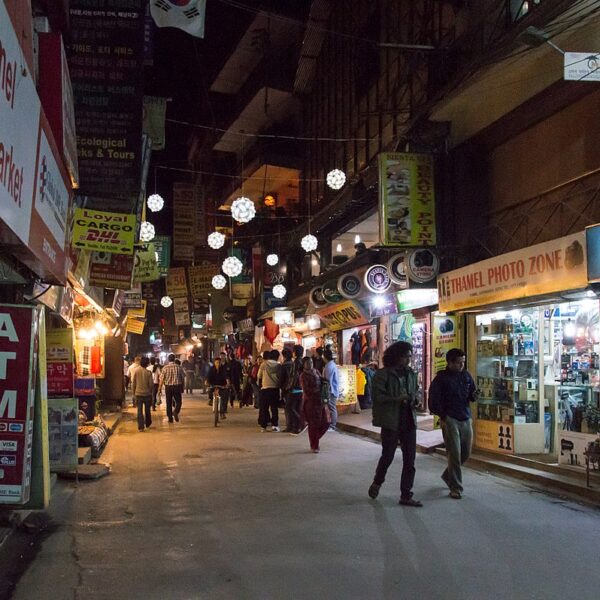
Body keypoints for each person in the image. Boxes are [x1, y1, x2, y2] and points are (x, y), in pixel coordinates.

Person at [368, 341, 423, 507]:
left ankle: (406, 494)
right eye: (405, 356)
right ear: (396, 356)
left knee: (410, 460)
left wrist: (416, 401)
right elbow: (377, 398)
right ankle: (377, 481)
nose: (408, 360)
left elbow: (415, 392)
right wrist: (396, 399)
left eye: (409, 356)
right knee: (388, 456)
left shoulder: (410, 374)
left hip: (408, 420)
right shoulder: (382, 375)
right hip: (391, 421)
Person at [428, 348, 478, 500]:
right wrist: (443, 416)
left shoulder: (466, 376)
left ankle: (448, 475)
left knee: (465, 452)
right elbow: (433, 401)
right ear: (449, 363)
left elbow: (472, 395)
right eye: (458, 363)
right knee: (454, 453)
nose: (461, 365)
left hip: (466, 417)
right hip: (450, 419)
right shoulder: (441, 379)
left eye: (463, 362)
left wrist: (475, 396)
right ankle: (456, 487)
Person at [300, 357, 330, 453]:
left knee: (326, 421)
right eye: (308, 362)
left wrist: (325, 383)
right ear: (304, 364)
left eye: (311, 362)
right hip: (311, 403)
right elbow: (307, 391)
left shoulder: (316, 371)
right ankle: (314, 445)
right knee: (313, 424)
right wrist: (318, 391)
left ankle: (315, 438)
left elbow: (322, 380)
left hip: (320, 401)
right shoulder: (303, 376)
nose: (310, 364)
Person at [257, 349, 281, 432]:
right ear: (277, 357)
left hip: (265, 389)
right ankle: (275, 425)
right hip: (275, 389)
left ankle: (263, 426)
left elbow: (259, 376)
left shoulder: (263, 364)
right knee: (274, 408)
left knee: (264, 408)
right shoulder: (278, 366)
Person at [158, 354, 185, 423]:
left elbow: (161, 379)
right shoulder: (179, 367)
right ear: (174, 359)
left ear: (168, 359)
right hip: (177, 386)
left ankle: (170, 418)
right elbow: (183, 378)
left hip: (168, 387)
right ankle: (176, 411)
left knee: (169, 402)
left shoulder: (165, 368)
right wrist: (183, 387)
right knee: (179, 402)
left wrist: (159, 389)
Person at [287, 345, 306, 434]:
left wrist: (289, 386)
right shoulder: (303, 361)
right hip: (302, 389)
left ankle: (301, 423)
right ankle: (297, 427)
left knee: (290, 407)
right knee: (297, 408)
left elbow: (294, 376)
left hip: (295, 389)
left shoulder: (296, 362)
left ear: (295, 352)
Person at [132, 356, 153, 431]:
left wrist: (133, 393)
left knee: (139, 411)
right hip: (147, 394)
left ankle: (141, 427)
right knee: (147, 410)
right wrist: (150, 392)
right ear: (147, 364)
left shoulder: (136, 371)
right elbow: (151, 385)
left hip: (138, 394)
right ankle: (148, 423)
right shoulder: (148, 372)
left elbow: (133, 383)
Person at [322, 349, 339, 431]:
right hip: (332, 389)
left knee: (332, 408)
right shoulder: (331, 365)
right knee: (331, 407)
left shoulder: (329, 366)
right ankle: (331, 424)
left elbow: (327, 380)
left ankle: (333, 425)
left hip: (331, 390)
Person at [281, 348, 295, 432]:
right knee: (294, 407)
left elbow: (281, 378)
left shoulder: (284, 365)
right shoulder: (294, 364)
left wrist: (281, 388)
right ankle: (295, 424)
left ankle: (289, 426)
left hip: (287, 388)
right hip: (296, 388)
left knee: (288, 408)